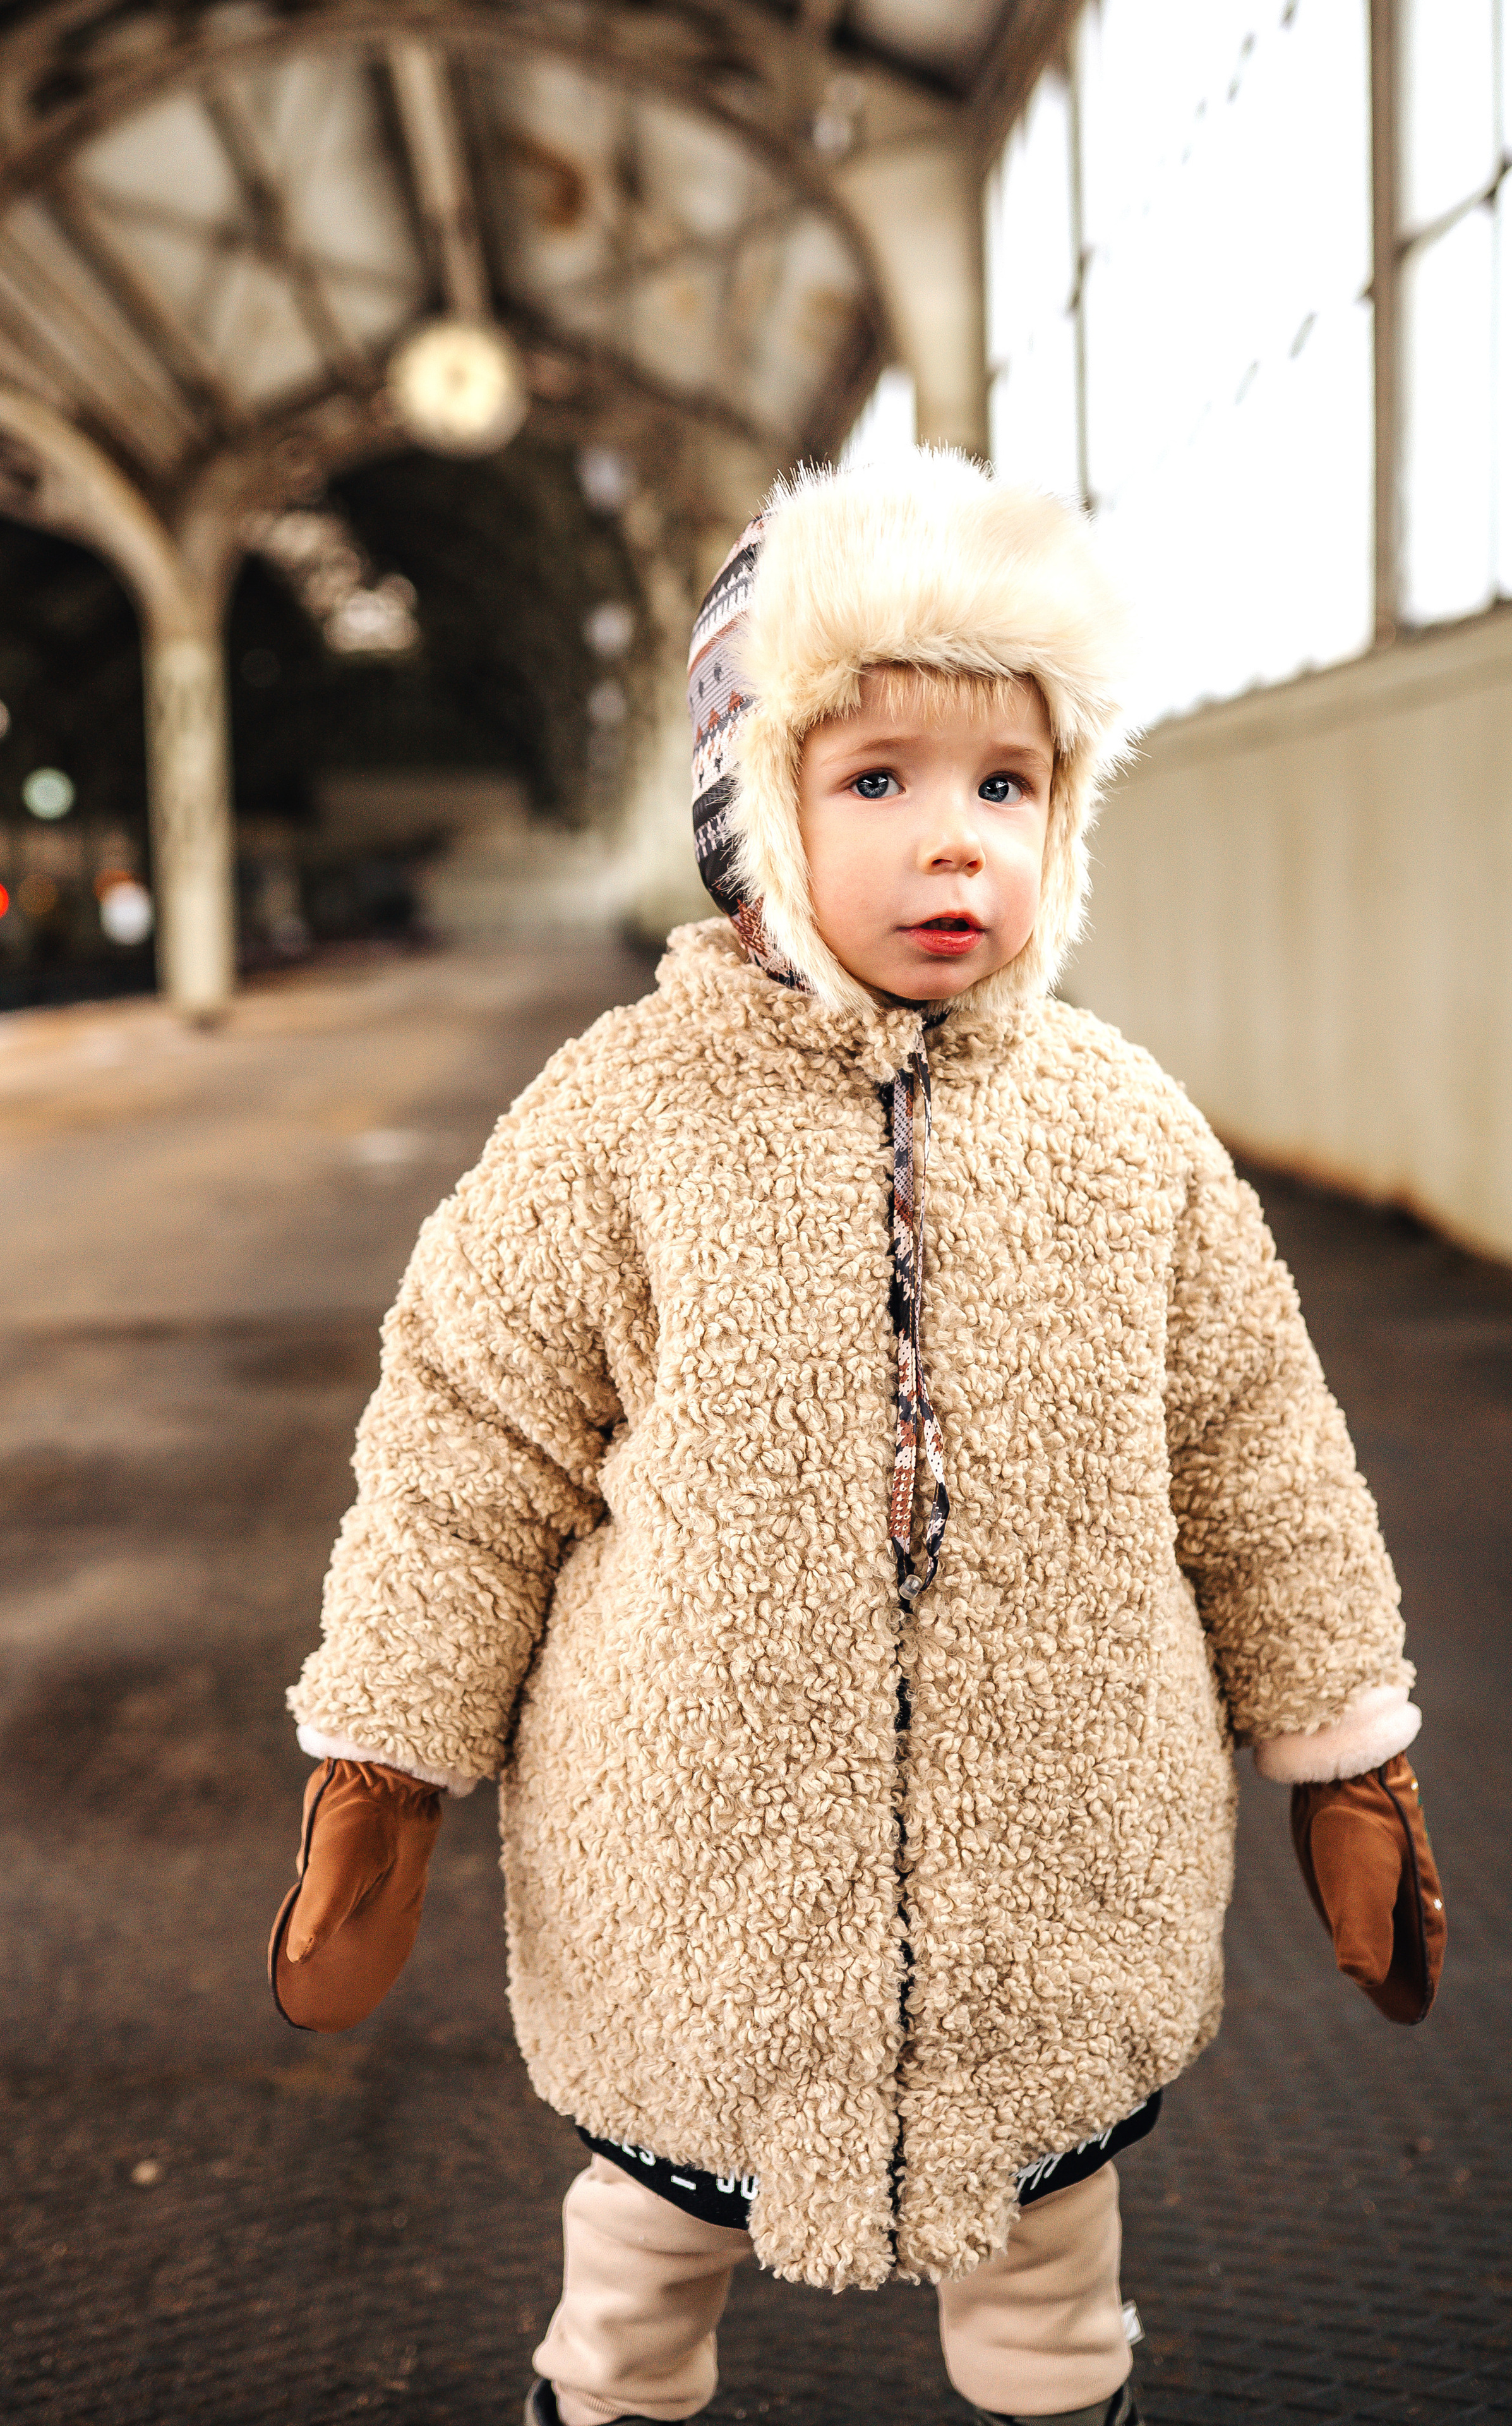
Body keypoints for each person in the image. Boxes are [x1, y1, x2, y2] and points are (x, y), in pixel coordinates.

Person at [271, 450, 1445, 2426]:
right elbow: (466, 1457)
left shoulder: (1126, 1132)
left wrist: (1346, 1752)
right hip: (694, 1900)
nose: (955, 846)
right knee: (639, 2281)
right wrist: (384, 1760)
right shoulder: (619, 1122)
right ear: (756, 808)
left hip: (1051, 1911)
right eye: (878, 780)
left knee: (1055, 2307)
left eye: (1006, 787)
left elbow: (1265, 1454)